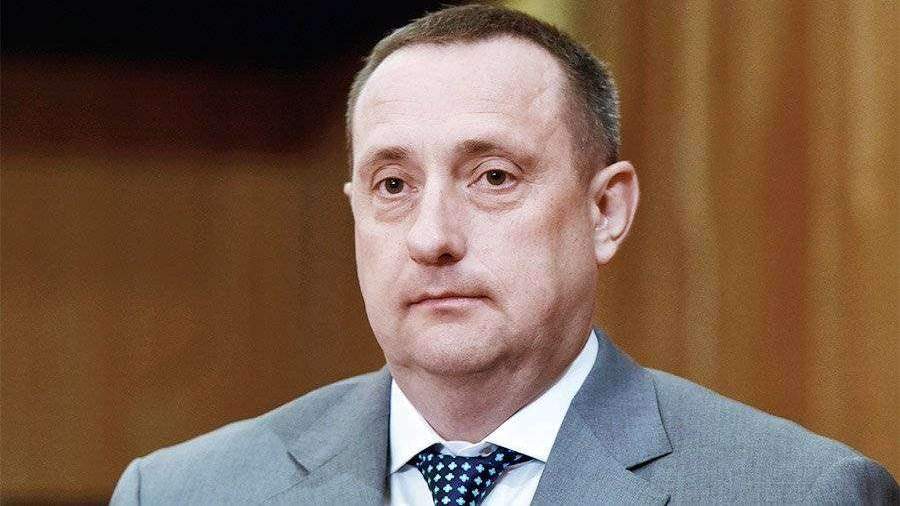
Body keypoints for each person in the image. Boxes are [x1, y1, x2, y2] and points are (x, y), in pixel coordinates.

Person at [111, 5, 898, 505]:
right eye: (393, 185)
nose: (431, 236)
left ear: (606, 211)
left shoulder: (797, 492)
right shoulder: (181, 492)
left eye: (493, 177)